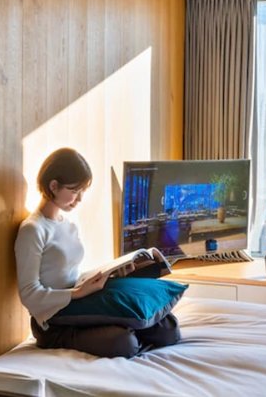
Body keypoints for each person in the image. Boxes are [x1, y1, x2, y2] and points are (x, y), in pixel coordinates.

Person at [14, 148, 180, 358]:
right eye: (75, 191)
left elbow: (68, 273)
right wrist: (76, 293)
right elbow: (29, 294)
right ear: (53, 186)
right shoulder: (33, 229)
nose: (80, 198)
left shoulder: (69, 224)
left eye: (83, 191)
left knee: (168, 330)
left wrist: (115, 272)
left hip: (80, 302)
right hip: (53, 318)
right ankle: (59, 338)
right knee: (124, 343)